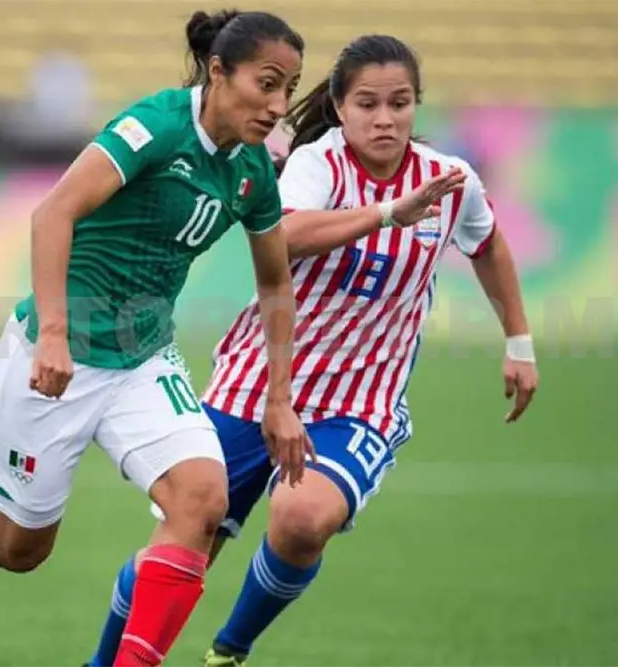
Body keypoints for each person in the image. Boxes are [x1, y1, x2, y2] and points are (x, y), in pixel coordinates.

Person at [83, 33, 540, 667]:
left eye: (400, 103)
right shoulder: (318, 164)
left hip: (359, 404)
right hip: (255, 384)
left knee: (301, 518)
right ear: (339, 106)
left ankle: (228, 652)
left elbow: (487, 245)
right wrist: (386, 213)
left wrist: (519, 342)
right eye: (368, 104)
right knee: (186, 546)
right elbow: (288, 235)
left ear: (417, 106)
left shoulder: (448, 182)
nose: (385, 119)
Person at [0, 10, 315, 667]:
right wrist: (54, 337)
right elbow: (53, 211)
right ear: (217, 71)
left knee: (203, 497)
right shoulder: (154, 125)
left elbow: (275, 285)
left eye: (288, 89)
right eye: (266, 83)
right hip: (53, 359)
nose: (277, 105)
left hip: (143, 360)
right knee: (20, 549)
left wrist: (279, 397)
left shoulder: (252, 173)